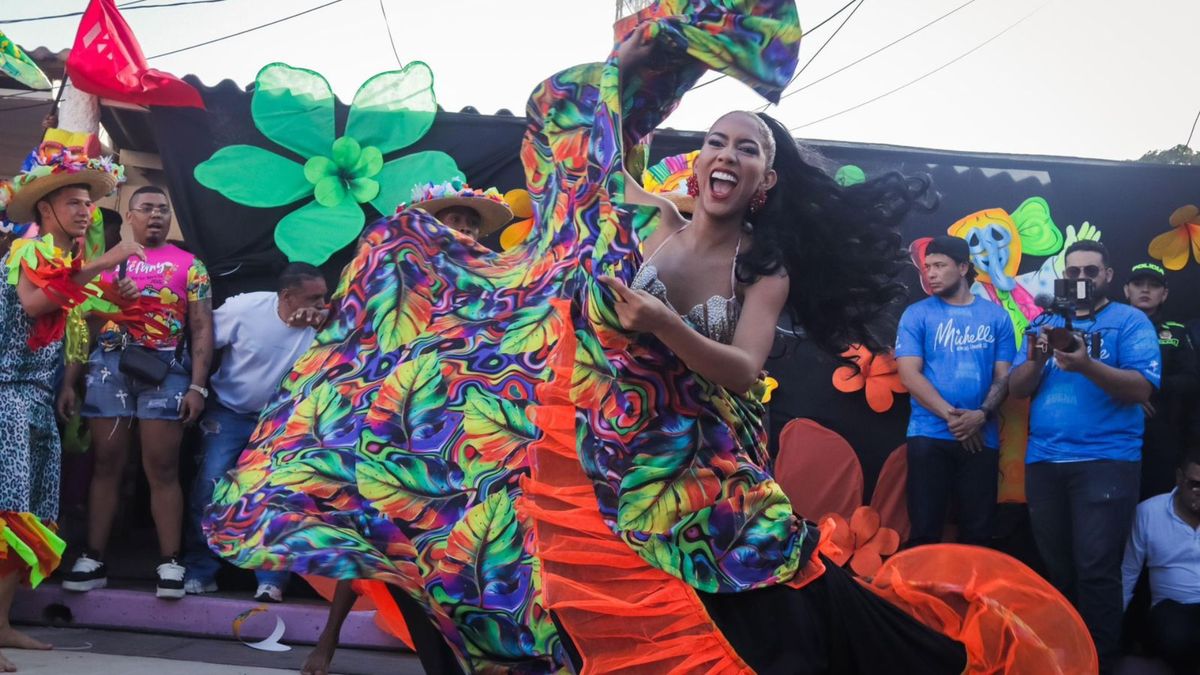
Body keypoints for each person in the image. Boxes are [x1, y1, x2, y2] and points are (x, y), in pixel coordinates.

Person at [207, 3, 1093, 673]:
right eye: (718, 138)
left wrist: (666, 323)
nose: (728, 154)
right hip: (601, 449)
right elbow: (572, 132)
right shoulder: (647, 220)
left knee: (780, 615)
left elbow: (745, 371)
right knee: (489, 552)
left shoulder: (762, 264)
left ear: (763, 183)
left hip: (695, 464)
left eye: (747, 149)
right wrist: (645, 54)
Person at [301, 183, 512, 675]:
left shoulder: (496, 287)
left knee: (464, 556)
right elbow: (361, 343)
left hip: (465, 438)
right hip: (397, 431)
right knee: (374, 533)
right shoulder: (402, 283)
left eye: (469, 224)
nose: (461, 230)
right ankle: (328, 639)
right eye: (451, 221)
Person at [0, 147, 139, 672]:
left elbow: (79, 320)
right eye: (73, 202)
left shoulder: (68, 267)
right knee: (3, 512)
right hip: (6, 396)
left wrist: (119, 302)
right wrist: (105, 263)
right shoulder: (28, 254)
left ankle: (2, 624)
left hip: (35, 400)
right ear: (45, 211)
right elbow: (37, 304)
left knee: (28, 515)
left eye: (88, 203)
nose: (85, 211)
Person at [1009, 240, 1161, 672]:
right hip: (1044, 462)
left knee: (1096, 569)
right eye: (1072, 273)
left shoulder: (1129, 322)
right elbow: (1018, 389)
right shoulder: (1043, 320)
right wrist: (1037, 360)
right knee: (1057, 569)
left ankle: (1099, 663)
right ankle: (1063, 658)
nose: (1081, 280)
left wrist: (1086, 364)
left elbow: (1141, 389)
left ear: (1108, 276)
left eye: (1090, 272)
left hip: (1106, 461)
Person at [60, 185, 215, 600]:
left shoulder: (191, 266)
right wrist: (70, 380)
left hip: (167, 372)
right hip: (108, 367)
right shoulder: (107, 264)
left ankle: (170, 561)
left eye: (163, 209)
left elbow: (202, 327)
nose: (156, 215)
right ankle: (93, 557)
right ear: (129, 217)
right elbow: (84, 327)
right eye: (146, 208)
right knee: (106, 464)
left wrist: (198, 385)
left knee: (161, 468)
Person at [181, 263, 328, 603]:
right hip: (230, 412)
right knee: (210, 486)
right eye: (314, 297)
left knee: (276, 495)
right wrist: (195, 389)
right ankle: (201, 570)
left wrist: (327, 325)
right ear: (287, 296)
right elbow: (202, 340)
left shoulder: (326, 324)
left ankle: (271, 578)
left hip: (283, 422)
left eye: (324, 296)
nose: (322, 303)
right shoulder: (245, 308)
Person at [895, 235, 1014, 547]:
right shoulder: (916, 314)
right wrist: (957, 419)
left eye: (939, 265)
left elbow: (1004, 377)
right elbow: (909, 374)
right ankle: (917, 596)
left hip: (982, 439)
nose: (930, 273)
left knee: (978, 534)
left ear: (962, 267)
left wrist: (981, 414)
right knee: (924, 531)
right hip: (929, 434)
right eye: (927, 267)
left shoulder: (997, 316)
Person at [1124, 262, 1199, 499]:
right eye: (1138, 284)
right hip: (1115, 434)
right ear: (1127, 290)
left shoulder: (1177, 331)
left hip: (1163, 435)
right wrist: (1127, 396)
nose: (1145, 290)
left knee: (1157, 503)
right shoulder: (1109, 327)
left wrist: (1145, 388)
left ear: (1164, 294)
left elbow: (1192, 380)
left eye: (1153, 285)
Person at [1121, 447, 1200, 675]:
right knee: (1176, 635)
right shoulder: (1149, 512)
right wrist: (1111, 630)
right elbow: (1128, 573)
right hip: (1171, 608)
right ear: (1179, 479)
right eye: (1195, 484)